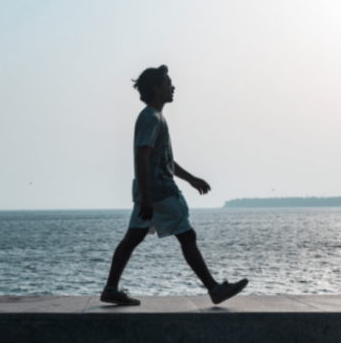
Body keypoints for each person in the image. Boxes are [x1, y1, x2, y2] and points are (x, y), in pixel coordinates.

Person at [101, 65, 248, 306]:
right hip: (160, 193)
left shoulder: (155, 117)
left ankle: (110, 289)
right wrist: (148, 198)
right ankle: (214, 289)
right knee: (187, 236)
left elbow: (163, 158)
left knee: (132, 238)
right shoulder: (151, 118)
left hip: (150, 193)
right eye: (168, 83)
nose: (173, 87)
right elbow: (141, 157)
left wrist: (190, 178)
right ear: (157, 88)